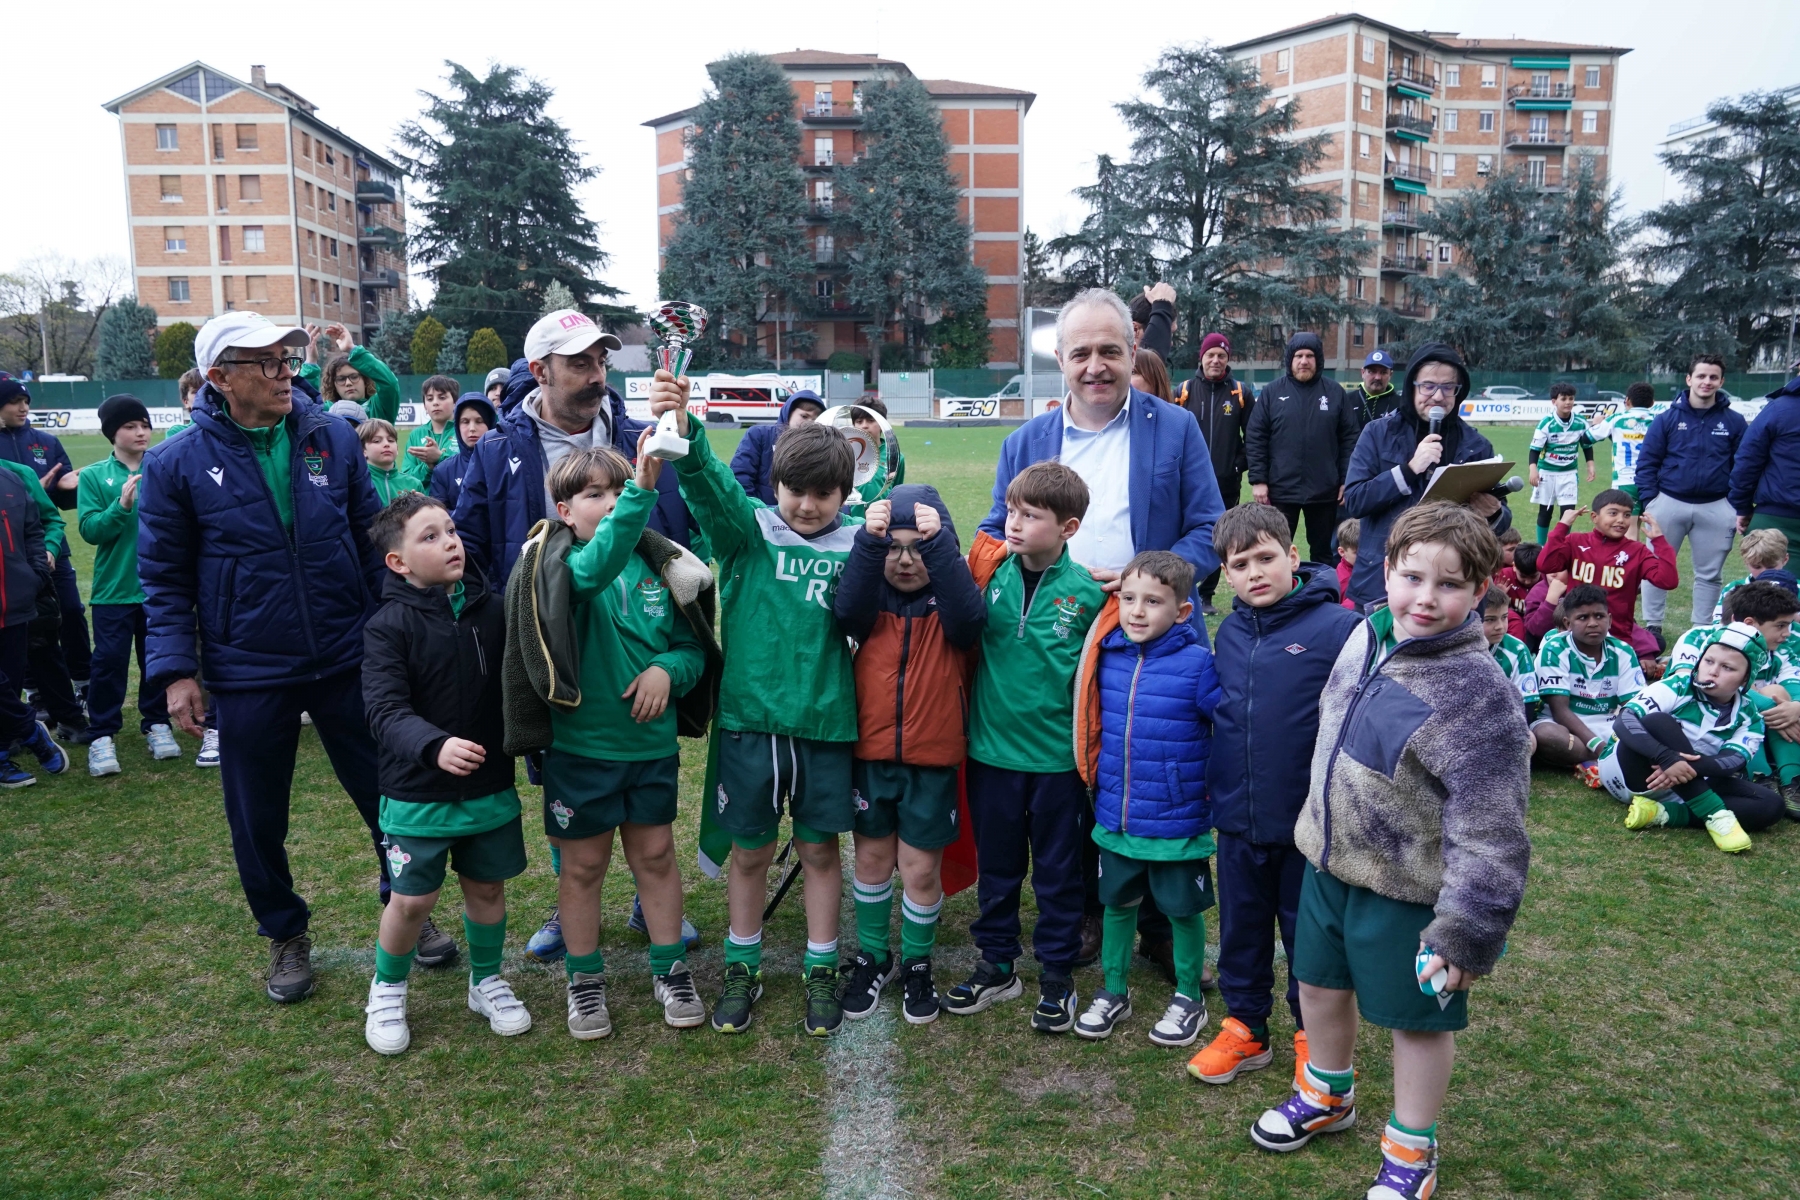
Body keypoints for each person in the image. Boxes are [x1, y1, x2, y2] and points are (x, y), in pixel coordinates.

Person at [140, 311, 456, 1003]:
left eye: (288, 360)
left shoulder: (328, 440)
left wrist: (394, 632)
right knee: (257, 817)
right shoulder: (174, 464)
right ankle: (284, 932)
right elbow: (162, 578)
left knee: (389, 798)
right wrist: (175, 672)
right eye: (267, 364)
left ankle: (407, 908)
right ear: (220, 378)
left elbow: (367, 541)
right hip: (247, 667)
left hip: (349, 655)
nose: (286, 374)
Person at [1253, 503, 1529, 1200]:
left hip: (1409, 891)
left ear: (1480, 592)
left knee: (1415, 1022)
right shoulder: (1364, 635)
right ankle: (1327, 1094)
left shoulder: (1479, 697)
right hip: (1328, 864)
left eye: (1451, 585)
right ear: (1387, 571)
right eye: (1413, 577)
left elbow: (1492, 831)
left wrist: (1466, 933)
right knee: (1316, 987)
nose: (1426, 599)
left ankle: (1412, 1148)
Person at [977, 288, 1224, 973]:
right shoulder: (1026, 441)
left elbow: (1210, 526)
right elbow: (996, 534)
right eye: (1080, 352)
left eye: (1109, 351)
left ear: (1132, 350)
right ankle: (1088, 905)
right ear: (1060, 359)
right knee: (1073, 776)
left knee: (1148, 773)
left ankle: (1158, 916)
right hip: (1054, 640)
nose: (1095, 365)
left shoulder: (1174, 428)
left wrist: (1153, 574)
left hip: (1148, 634)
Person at [455, 309, 699, 963]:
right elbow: (471, 547)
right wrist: (512, 624)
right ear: (540, 371)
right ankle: (575, 905)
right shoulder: (499, 449)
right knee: (563, 780)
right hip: (549, 653)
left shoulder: (637, 434)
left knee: (646, 808)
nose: (598, 375)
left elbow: (677, 522)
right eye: (580, 364)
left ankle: (651, 905)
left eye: (601, 361)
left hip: (637, 633)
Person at [648, 371, 860, 1037]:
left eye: (825, 494)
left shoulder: (860, 542)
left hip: (827, 726)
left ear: (845, 494)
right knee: (751, 852)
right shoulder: (748, 535)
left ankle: (821, 965)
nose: (808, 506)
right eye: (796, 491)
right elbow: (708, 488)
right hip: (749, 724)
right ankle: (743, 964)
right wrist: (683, 428)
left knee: (822, 849)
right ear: (775, 487)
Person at [541, 443, 710, 1038]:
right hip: (581, 750)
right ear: (565, 511)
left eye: (618, 492)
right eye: (595, 496)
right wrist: (641, 489)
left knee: (657, 857)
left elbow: (694, 647)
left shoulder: (662, 566)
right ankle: (584, 981)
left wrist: (669, 669)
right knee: (583, 866)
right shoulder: (561, 566)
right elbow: (595, 567)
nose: (611, 504)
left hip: (649, 750)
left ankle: (670, 968)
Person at [1188, 504, 1360, 1087]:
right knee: (1242, 926)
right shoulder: (1231, 630)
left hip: (1307, 824)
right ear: (1226, 575)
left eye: (1266, 558)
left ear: (1292, 556)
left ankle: (1312, 1034)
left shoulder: (1338, 628)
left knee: (1307, 934)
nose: (1255, 572)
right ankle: (1245, 1026)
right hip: (1238, 816)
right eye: (1241, 564)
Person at [360, 491, 529, 1054]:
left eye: (451, 530)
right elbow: (384, 711)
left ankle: (486, 981)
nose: (450, 542)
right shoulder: (388, 626)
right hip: (418, 793)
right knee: (411, 901)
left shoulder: (495, 608)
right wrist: (433, 747)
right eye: (429, 537)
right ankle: (387, 989)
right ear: (398, 562)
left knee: (486, 887)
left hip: (488, 787)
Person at [947, 461, 1106, 1034]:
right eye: (1012, 510)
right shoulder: (988, 573)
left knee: (1060, 874)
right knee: (1000, 868)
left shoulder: (1089, 595)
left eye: (1031, 516)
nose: (1014, 523)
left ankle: (1058, 974)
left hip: (1058, 766)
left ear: (1068, 528)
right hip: (990, 757)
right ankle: (997, 964)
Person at [832, 485, 985, 1025]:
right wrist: (867, 546)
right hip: (871, 757)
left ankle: (917, 962)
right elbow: (844, 612)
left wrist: (941, 545)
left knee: (921, 871)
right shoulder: (869, 598)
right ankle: (876, 955)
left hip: (933, 760)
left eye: (917, 547)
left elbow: (970, 622)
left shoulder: (952, 600)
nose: (904, 559)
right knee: (872, 860)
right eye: (892, 547)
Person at [1074, 550, 1221, 1047]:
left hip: (1177, 820)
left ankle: (1188, 997)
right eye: (1129, 598)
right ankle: (1114, 990)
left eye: (1153, 601)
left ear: (1182, 611)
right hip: (1115, 814)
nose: (1137, 611)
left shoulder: (1200, 664)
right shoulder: (1107, 652)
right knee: (1116, 904)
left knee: (1182, 910)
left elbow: (1228, 727)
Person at [1341, 343, 1511, 609]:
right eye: (1428, 386)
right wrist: (1409, 470)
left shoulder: (1477, 445)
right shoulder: (1377, 433)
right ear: (1412, 386)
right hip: (1383, 579)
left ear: (1458, 392)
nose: (1438, 396)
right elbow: (1355, 500)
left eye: (1448, 387)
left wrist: (1493, 513)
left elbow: (1501, 523)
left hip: (1452, 583)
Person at [1604, 622, 1779, 852]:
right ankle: (1715, 814)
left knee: (1771, 804)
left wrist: (1682, 765)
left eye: (1727, 668)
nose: (1713, 671)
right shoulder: (1676, 685)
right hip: (1632, 774)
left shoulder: (1750, 716)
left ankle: (1666, 814)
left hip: (1688, 784)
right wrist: (1666, 757)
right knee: (1659, 721)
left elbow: (1732, 761)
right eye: (1708, 661)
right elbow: (1624, 721)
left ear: (1746, 679)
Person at [77, 395, 179, 777]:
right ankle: (102, 734)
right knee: (109, 663)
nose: (141, 433)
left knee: (157, 661)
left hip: (160, 588)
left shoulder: (164, 468)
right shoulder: (92, 476)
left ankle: (157, 723)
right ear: (111, 433)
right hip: (114, 590)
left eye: (144, 425)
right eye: (130, 426)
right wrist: (120, 506)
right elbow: (89, 530)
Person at [0, 379, 90, 737]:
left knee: (64, 617)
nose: (23, 407)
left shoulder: (44, 444)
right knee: (21, 642)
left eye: (26, 401)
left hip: (42, 558)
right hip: (11, 566)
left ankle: (78, 695)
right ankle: (30, 706)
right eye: (15, 401)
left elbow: (54, 511)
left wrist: (65, 488)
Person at [1665, 578, 1800, 814]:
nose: (1787, 633)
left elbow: (1795, 687)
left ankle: (1791, 780)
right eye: (1780, 626)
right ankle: (1759, 775)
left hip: (1754, 731)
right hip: (1697, 729)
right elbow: (1694, 684)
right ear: (1750, 624)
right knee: (1762, 700)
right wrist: (1770, 706)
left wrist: (1796, 707)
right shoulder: (1700, 637)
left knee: (1782, 698)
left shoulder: (1778, 650)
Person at [1636, 354, 1747, 639]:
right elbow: (1647, 462)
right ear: (1689, 379)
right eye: (1701, 376)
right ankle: (1653, 626)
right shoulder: (1667, 419)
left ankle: (1701, 629)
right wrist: (1652, 501)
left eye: (1713, 377)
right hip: (1669, 502)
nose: (1706, 382)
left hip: (1716, 505)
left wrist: (1733, 504)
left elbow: (1744, 465)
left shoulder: (1734, 422)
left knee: (1709, 574)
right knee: (1657, 566)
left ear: (1721, 382)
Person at [1245, 332, 1358, 566]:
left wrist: (1347, 479)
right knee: (1276, 549)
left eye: (1309, 356)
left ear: (1318, 360)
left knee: (1323, 552)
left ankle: (1324, 596)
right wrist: (1259, 480)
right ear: (1290, 360)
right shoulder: (1272, 393)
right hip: (1280, 489)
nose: (1304, 361)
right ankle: (1280, 598)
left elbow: (1350, 439)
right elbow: (1256, 436)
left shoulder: (1335, 393)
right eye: (1298, 356)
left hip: (1325, 490)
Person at [1537, 492, 1678, 661]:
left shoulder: (1636, 551)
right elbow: (1545, 565)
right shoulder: (1576, 542)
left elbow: (1667, 581)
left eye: (1627, 515)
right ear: (1594, 517)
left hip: (1618, 635)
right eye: (1613, 513)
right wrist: (1562, 526)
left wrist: (1659, 541)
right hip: (1576, 633)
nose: (1621, 520)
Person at [0, 448, 67, 787]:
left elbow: (35, 529)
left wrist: (35, 575)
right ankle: (30, 732)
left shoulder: (12, 478)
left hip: (14, 604)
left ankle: (2, 753)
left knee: (10, 684)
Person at [1174, 332, 1252, 616]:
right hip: (1186, 481)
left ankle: (1206, 595)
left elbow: (1252, 436)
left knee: (1218, 536)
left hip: (1225, 483)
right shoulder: (1183, 391)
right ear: (1202, 358)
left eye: (1221, 356)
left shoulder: (1240, 393)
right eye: (1211, 355)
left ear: (1227, 359)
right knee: (1187, 533)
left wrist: (1236, 465)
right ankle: (1183, 584)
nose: (1216, 360)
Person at [1533, 583, 1646, 776]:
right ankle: (1611, 759)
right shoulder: (1554, 649)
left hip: (1609, 724)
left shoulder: (1623, 651)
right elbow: (1560, 710)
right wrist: (1599, 747)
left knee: (1652, 724)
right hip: (1564, 726)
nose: (1593, 623)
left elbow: (1632, 706)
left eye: (1599, 616)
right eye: (1583, 618)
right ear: (1568, 624)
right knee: (1546, 736)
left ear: (1609, 620)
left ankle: (1591, 762)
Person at [1730, 369, 1800, 543]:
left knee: (1774, 570)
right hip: (1779, 516)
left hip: (1778, 516)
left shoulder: (1779, 408)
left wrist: (1742, 506)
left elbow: (1747, 461)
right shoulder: (1780, 407)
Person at [729, 389, 826, 506]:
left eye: (816, 420)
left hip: (798, 519)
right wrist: (754, 512)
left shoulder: (821, 447)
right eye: (804, 416)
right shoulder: (759, 435)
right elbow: (740, 477)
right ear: (788, 412)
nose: (810, 423)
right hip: (759, 516)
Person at [1527, 383, 1597, 544]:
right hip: (1547, 474)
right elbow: (1534, 450)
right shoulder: (1546, 423)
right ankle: (1542, 546)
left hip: (1569, 474)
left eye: (1571, 398)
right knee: (1545, 512)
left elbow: (1587, 445)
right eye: (1563, 399)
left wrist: (1590, 465)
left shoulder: (1580, 422)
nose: (1568, 402)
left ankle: (1561, 546)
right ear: (1554, 401)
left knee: (1568, 513)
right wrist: (1533, 470)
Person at [1482, 587, 1543, 753]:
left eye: (1504, 617)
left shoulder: (1517, 650)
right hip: (1461, 726)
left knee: (1529, 740)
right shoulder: (1456, 647)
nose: (1500, 626)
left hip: (1501, 724)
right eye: (1490, 620)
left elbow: (1527, 706)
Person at [301, 322, 400, 423]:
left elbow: (390, 384)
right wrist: (311, 361)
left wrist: (352, 349)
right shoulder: (327, 411)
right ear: (333, 384)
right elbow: (303, 402)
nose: (348, 383)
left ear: (364, 380)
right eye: (341, 379)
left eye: (354, 376)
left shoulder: (379, 407)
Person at [1587, 382, 1657, 510]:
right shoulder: (1659, 421)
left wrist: (1595, 424)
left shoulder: (1617, 419)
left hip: (1625, 480)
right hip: (1652, 481)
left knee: (1628, 527)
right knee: (1650, 526)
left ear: (1627, 401)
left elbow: (1587, 438)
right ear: (1652, 403)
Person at [428, 394, 498, 512]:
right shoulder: (443, 471)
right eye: (465, 421)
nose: (472, 428)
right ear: (457, 426)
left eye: (479, 421)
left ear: (490, 423)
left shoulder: (505, 465)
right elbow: (440, 517)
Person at [1710, 528, 1788, 622]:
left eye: (1771, 567)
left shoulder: (1797, 588)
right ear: (1746, 562)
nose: (1764, 572)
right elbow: (1718, 622)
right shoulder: (1733, 589)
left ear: (1785, 560)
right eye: (1757, 567)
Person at [403, 374, 460, 485]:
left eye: (442, 397)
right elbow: (407, 479)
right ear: (424, 405)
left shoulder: (463, 431)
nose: (435, 402)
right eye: (430, 399)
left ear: (455, 402)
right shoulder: (416, 435)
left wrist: (439, 458)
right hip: (423, 502)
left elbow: (467, 470)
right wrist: (428, 466)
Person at [849, 396, 905, 506]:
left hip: (883, 520)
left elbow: (896, 492)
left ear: (882, 424)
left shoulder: (895, 457)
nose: (864, 425)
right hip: (852, 521)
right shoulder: (844, 454)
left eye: (871, 420)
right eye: (859, 421)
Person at [359, 419, 421, 506]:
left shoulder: (414, 483)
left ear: (397, 448)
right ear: (363, 450)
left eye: (391, 440)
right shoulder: (358, 483)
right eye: (377, 441)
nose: (386, 444)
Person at [1342, 349, 1399, 429]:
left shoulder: (1401, 405)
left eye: (1383, 372)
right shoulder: (1346, 401)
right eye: (1372, 371)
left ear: (1390, 375)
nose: (1378, 377)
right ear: (1362, 373)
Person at [165, 368, 205, 439]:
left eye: (206, 390)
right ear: (186, 402)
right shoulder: (177, 433)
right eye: (195, 392)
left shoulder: (228, 427)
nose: (202, 394)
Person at [1334, 519, 1360, 610]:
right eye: (1356, 553)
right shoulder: (1346, 581)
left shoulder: (1356, 567)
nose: (1362, 556)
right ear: (1342, 552)